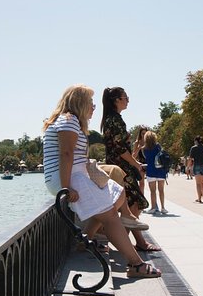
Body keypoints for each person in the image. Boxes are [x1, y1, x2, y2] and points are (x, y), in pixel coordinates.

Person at [43, 84, 160, 278]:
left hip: (76, 175)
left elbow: (73, 156)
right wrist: (66, 188)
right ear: (79, 103)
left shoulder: (71, 122)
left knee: (118, 192)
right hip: (69, 178)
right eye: (90, 102)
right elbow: (66, 154)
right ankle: (136, 264)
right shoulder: (69, 120)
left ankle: (86, 238)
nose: (93, 107)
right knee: (110, 215)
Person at [101, 86, 161, 252]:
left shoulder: (113, 119)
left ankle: (125, 241)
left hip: (120, 167)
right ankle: (130, 241)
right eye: (125, 97)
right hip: (121, 169)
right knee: (134, 201)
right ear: (117, 100)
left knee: (132, 203)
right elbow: (121, 149)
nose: (128, 100)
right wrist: (136, 164)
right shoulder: (114, 120)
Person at [142, 131, 169, 214]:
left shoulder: (144, 149)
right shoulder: (158, 146)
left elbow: (146, 158)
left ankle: (153, 207)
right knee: (161, 190)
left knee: (152, 191)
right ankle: (163, 207)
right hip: (160, 170)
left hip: (150, 171)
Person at [189, 136, 203, 203]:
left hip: (197, 166)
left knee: (198, 183)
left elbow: (190, 159)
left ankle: (199, 198)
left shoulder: (193, 148)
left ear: (196, 141)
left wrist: (188, 167)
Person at [132, 126, 149, 195]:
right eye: (142, 133)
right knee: (142, 183)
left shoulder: (149, 142)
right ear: (140, 134)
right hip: (141, 164)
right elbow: (133, 156)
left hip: (149, 163)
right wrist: (138, 148)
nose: (144, 135)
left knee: (152, 183)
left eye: (145, 133)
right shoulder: (137, 142)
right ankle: (142, 198)